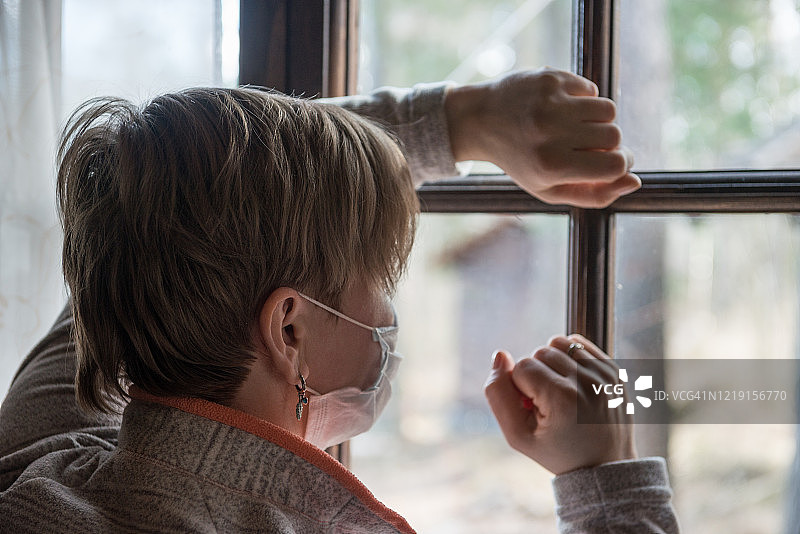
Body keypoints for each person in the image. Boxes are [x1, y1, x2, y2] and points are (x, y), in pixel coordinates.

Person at [0, 71, 678, 532]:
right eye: (382, 276)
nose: (389, 313)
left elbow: (186, 197)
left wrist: (468, 120)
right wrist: (608, 478)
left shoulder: (38, 466)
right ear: (289, 329)